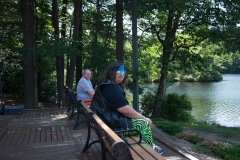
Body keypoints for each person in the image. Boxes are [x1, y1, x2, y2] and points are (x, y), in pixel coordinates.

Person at [90, 61, 163, 155]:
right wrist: (144, 117)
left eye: (123, 72)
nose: (121, 75)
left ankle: (150, 145)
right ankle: (149, 153)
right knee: (143, 124)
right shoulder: (110, 87)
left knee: (138, 122)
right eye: (118, 72)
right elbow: (125, 110)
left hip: (106, 123)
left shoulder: (107, 84)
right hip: (112, 126)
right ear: (111, 72)